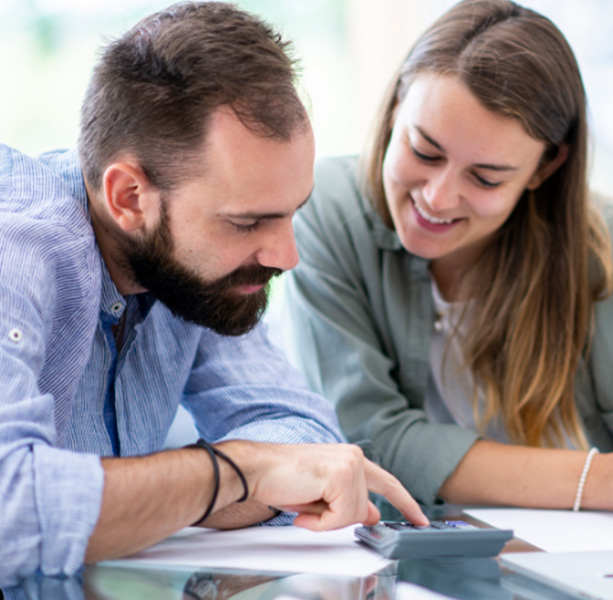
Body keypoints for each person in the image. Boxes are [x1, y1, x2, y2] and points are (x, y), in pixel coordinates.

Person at [0, 2, 426, 587]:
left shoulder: (193, 271)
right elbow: (10, 511)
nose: (287, 257)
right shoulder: (16, 249)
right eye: (249, 223)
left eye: (290, 214)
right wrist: (237, 470)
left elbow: (300, 433)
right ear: (128, 198)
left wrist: (171, 492)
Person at [278, 0, 613, 512]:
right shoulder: (326, 209)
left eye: (485, 177)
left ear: (545, 168)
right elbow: (363, 443)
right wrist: (602, 481)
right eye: (424, 150)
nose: (437, 197)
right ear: (395, 108)